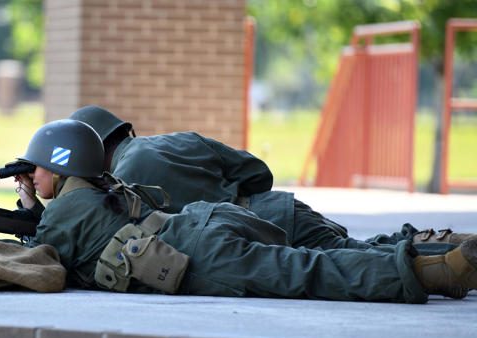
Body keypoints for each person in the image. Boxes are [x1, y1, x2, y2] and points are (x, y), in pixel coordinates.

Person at [0, 119, 477, 302]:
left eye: (37, 170)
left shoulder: (65, 216)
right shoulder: (100, 190)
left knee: (315, 274)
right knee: (328, 253)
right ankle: (441, 253)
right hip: (209, 222)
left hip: (202, 255)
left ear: (61, 165)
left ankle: (436, 271)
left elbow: (37, 265)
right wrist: (31, 205)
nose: (32, 179)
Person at [66, 106, 474, 250]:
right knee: (359, 249)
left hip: (250, 237)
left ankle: (452, 260)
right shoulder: (181, 140)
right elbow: (259, 172)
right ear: (121, 130)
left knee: (364, 257)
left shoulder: (119, 189)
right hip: (279, 210)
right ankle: (449, 247)